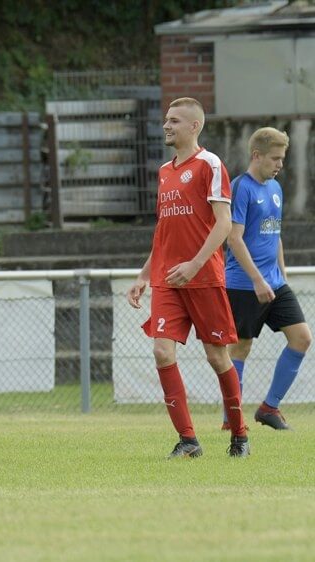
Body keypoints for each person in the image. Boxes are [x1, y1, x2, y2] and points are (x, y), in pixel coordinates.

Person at [126, 96, 249, 459]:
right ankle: (188, 440)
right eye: (166, 120)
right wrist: (145, 274)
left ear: (194, 126)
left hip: (203, 276)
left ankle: (239, 434)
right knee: (162, 351)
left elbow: (224, 224)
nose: (167, 125)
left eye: (175, 121)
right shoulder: (165, 171)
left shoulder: (210, 164)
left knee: (217, 358)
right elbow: (165, 230)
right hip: (168, 279)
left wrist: (195, 264)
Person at [224, 127, 310, 430]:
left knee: (302, 338)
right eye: (274, 158)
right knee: (241, 348)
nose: (280, 164)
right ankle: (231, 421)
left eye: (282, 159)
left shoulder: (275, 188)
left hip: (274, 283)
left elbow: (275, 235)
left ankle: (269, 408)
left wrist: (281, 277)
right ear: (256, 155)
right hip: (244, 284)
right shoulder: (240, 188)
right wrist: (259, 279)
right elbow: (234, 239)